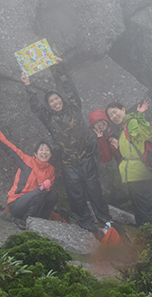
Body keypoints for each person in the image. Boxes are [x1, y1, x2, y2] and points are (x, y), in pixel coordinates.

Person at [21, 61, 112, 235]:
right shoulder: (50, 119)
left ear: (61, 99)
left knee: (95, 192)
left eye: (56, 98)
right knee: (76, 197)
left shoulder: (75, 108)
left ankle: (106, 220)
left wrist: (59, 67)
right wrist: (27, 85)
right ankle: (86, 225)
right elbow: (36, 108)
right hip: (69, 166)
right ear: (49, 105)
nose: (55, 102)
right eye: (51, 101)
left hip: (87, 160)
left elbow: (70, 87)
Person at [0, 121, 57, 221]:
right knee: (41, 192)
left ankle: (40, 221)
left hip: (35, 203)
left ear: (51, 155)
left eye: (47, 150)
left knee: (53, 195)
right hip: (17, 203)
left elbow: (47, 192)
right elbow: (11, 150)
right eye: (41, 150)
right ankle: (26, 221)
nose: (44, 153)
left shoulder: (51, 170)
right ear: (35, 154)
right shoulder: (27, 161)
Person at [105, 100, 152, 226]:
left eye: (115, 112)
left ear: (123, 109)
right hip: (134, 174)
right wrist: (119, 147)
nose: (114, 116)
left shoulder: (131, 123)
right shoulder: (123, 128)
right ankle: (151, 232)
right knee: (144, 207)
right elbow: (134, 149)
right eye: (111, 116)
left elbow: (144, 134)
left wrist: (140, 115)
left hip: (140, 174)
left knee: (146, 208)